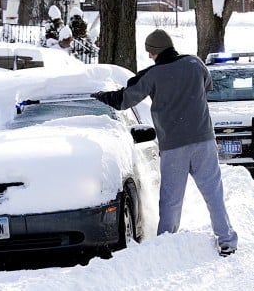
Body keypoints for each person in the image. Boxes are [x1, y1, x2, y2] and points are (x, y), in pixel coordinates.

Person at [91, 29, 238, 257]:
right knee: (213, 193)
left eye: (150, 52)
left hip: (174, 147)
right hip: (204, 141)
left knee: (171, 200)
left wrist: (101, 96)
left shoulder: (152, 75)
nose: (149, 56)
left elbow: (123, 100)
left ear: (153, 52)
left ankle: (165, 248)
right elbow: (207, 86)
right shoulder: (195, 63)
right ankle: (227, 240)